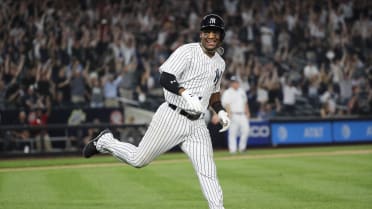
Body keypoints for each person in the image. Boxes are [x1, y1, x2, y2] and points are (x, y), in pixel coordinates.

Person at [83, 14, 231, 209]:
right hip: (172, 116)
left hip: (197, 125)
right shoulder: (187, 52)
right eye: (207, 32)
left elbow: (213, 93)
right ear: (201, 34)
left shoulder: (220, 63)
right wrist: (185, 94)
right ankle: (105, 141)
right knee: (138, 160)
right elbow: (166, 77)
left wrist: (220, 111)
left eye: (215, 32)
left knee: (208, 171)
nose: (211, 36)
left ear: (221, 36)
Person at [221, 76, 251, 153]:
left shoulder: (241, 91)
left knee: (246, 130)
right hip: (233, 114)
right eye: (234, 82)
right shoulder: (228, 92)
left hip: (242, 114)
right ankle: (233, 149)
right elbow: (226, 104)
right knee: (232, 133)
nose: (236, 83)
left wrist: (247, 112)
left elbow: (245, 103)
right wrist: (229, 113)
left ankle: (242, 148)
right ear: (231, 83)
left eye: (237, 82)